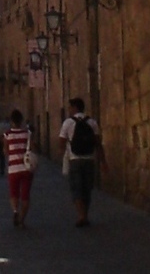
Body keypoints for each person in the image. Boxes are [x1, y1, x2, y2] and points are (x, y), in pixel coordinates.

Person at [58, 97, 108, 228]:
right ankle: (85, 215)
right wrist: (103, 162)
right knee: (87, 188)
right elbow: (98, 144)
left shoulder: (68, 123)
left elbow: (61, 143)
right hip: (89, 159)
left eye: (70, 107)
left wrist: (64, 154)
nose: (69, 110)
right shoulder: (92, 122)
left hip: (75, 159)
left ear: (74, 108)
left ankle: (81, 216)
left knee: (76, 188)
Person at [3, 108, 34, 227]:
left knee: (14, 193)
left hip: (13, 168)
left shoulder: (7, 134)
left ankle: (15, 211)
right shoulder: (28, 134)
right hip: (26, 167)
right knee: (25, 195)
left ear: (11, 121)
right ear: (21, 121)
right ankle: (22, 219)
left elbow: (5, 151)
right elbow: (32, 148)